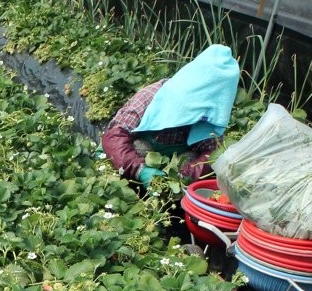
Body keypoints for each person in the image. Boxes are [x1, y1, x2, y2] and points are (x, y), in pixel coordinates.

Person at [101, 44, 240, 187]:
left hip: (170, 168)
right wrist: (140, 170)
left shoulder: (209, 119)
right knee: (140, 146)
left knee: (190, 159)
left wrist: (183, 176)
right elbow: (114, 136)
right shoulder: (153, 97)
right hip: (133, 164)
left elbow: (210, 155)